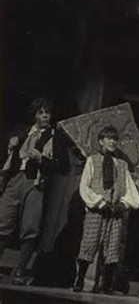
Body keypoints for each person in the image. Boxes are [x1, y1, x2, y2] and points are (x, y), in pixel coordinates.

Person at [73, 125, 139, 293]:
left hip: (115, 212)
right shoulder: (93, 160)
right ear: (101, 141)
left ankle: (107, 285)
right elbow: (84, 186)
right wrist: (98, 202)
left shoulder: (122, 165)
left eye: (115, 139)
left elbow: (131, 190)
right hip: (97, 210)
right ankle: (80, 280)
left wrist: (123, 204)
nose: (112, 142)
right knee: (89, 243)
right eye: (109, 138)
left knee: (112, 248)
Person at [0, 97, 59, 285]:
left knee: (30, 227)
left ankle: (19, 271)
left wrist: (42, 158)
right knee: (3, 222)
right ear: (34, 115)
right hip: (16, 179)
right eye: (41, 112)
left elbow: (62, 166)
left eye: (47, 113)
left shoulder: (55, 136)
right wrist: (10, 141)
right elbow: (7, 145)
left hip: (36, 182)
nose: (45, 116)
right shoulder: (22, 130)